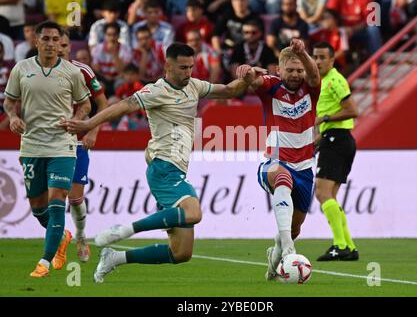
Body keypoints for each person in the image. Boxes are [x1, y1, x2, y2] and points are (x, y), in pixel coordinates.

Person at [61, 42, 265, 283]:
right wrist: (89, 124)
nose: (188, 72)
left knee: (180, 253)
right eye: (182, 67)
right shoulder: (156, 91)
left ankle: (114, 258)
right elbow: (123, 106)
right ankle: (125, 230)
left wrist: (248, 78)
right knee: (193, 212)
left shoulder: (194, 86)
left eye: (190, 67)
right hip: (163, 168)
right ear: (168, 65)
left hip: (176, 169)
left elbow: (230, 90)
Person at [3, 21, 91, 277]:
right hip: (31, 145)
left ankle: (44, 261)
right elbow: (9, 102)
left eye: (56, 39)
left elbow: (85, 104)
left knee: (57, 201)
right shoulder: (22, 69)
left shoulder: (72, 72)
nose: (52, 44)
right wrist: (14, 117)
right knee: (38, 208)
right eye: (47, 39)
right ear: (36, 41)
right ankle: (62, 236)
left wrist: (78, 119)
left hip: (62, 146)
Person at [239, 38, 321, 280]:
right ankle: (289, 251)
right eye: (290, 70)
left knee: (294, 228)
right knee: (282, 177)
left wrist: (303, 53)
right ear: (279, 70)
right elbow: (254, 80)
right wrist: (244, 72)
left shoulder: (311, 88)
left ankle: (273, 266)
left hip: (305, 169)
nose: (296, 75)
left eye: (299, 70)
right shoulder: (272, 87)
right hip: (274, 163)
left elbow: (315, 75)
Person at [58, 29, 108, 263]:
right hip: (49, 141)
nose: (61, 49)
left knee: (75, 198)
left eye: (66, 45)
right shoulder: (36, 71)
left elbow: (102, 103)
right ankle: (57, 240)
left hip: (77, 141)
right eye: (58, 44)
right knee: (50, 197)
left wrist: (94, 130)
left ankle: (79, 236)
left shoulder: (83, 70)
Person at [312, 41, 359, 261]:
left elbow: (352, 110)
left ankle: (339, 245)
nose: (318, 61)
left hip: (337, 140)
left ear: (332, 59)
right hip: (336, 139)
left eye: (323, 57)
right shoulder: (324, 81)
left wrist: (325, 118)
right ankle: (348, 246)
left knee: (322, 194)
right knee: (330, 196)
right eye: (315, 57)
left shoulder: (335, 81)